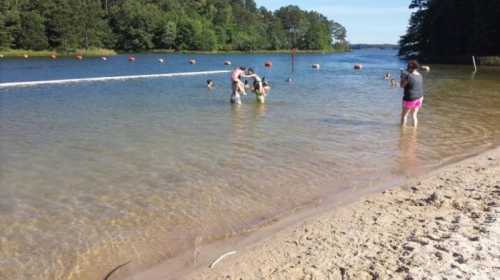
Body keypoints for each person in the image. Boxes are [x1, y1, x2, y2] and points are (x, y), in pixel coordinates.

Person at [400, 60, 424, 127]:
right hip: (420, 98)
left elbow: (402, 85)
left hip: (410, 98)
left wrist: (402, 77)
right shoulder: (420, 75)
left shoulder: (408, 76)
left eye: (408, 68)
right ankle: (414, 131)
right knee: (414, 115)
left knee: (404, 115)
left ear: (410, 68)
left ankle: (402, 132)